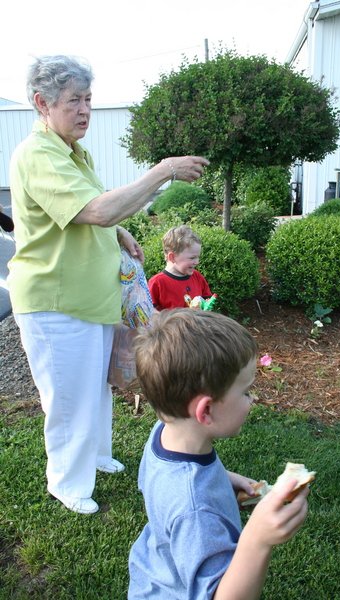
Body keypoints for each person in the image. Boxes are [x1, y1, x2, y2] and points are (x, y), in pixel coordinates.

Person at [7, 54, 209, 515]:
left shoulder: (74, 153)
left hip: (87, 298)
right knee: (69, 398)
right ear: (42, 103)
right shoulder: (39, 154)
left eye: (88, 99)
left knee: (93, 390)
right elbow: (96, 210)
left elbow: (90, 210)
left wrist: (117, 230)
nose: (84, 110)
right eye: (73, 101)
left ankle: (95, 456)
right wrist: (163, 170)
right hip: (55, 301)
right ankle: (67, 483)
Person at [128, 309, 309, 599]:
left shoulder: (165, 432)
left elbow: (174, 477)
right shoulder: (195, 512)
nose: (252, 400)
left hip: (158, 570)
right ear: (207, 411)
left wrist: (223, 479)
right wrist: (257, 538)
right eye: (246, 392)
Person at [148, 225, 212, 310]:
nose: (197, 262)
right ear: (172, 257)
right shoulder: (157, 283)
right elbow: (149, 312)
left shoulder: (197, 277)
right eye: (192, 258)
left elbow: (207, 301)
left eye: (198, 257)